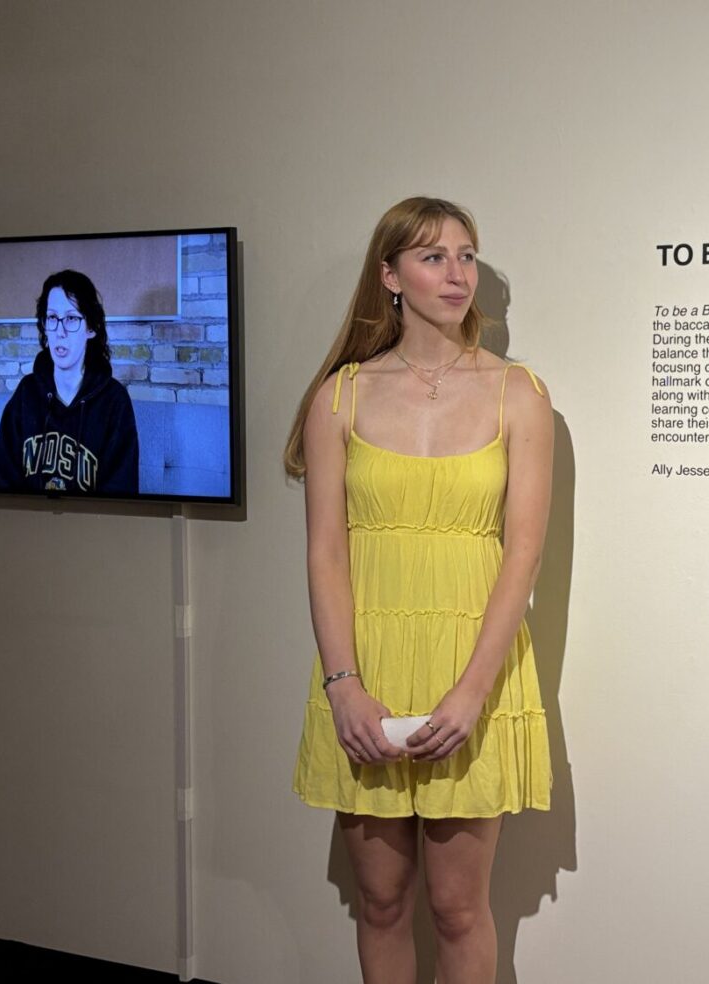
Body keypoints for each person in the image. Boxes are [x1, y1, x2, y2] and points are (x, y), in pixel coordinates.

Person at [285, 197, 553, 983]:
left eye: (466, 256)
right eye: (434, 256)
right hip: (367, 668)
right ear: (390, 276)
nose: (456, 273)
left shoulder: (520, 393)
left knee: (460, 907)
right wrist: (343, 687)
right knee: (382, 902)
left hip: (474, 669)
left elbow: (523, 554)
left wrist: (473, 693)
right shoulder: (338, 397)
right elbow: (325, 554)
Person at [0, 269, 139, 494]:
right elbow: (4, 480)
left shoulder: (114, 401)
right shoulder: (26, 393)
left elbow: (120, 492)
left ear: (91, 328)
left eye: (71, 318)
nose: (60, 331)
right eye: (52, 318)